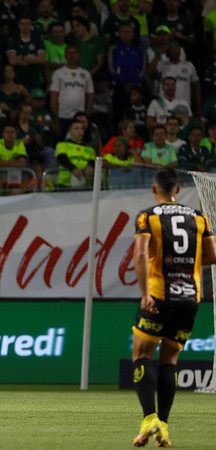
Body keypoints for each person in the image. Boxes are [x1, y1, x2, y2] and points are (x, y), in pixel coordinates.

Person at [130, 167, 216, 447]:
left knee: (142, 354)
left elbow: (140, 254)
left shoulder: (147, 216)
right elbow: (212, 255)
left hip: (159, 295)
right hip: (190, 298)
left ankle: (149, 418)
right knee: (169, 359)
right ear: (178, 190)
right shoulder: (199, 217)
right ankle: (164, 426)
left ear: (154, 189)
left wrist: (145, 294)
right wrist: (188, 262)